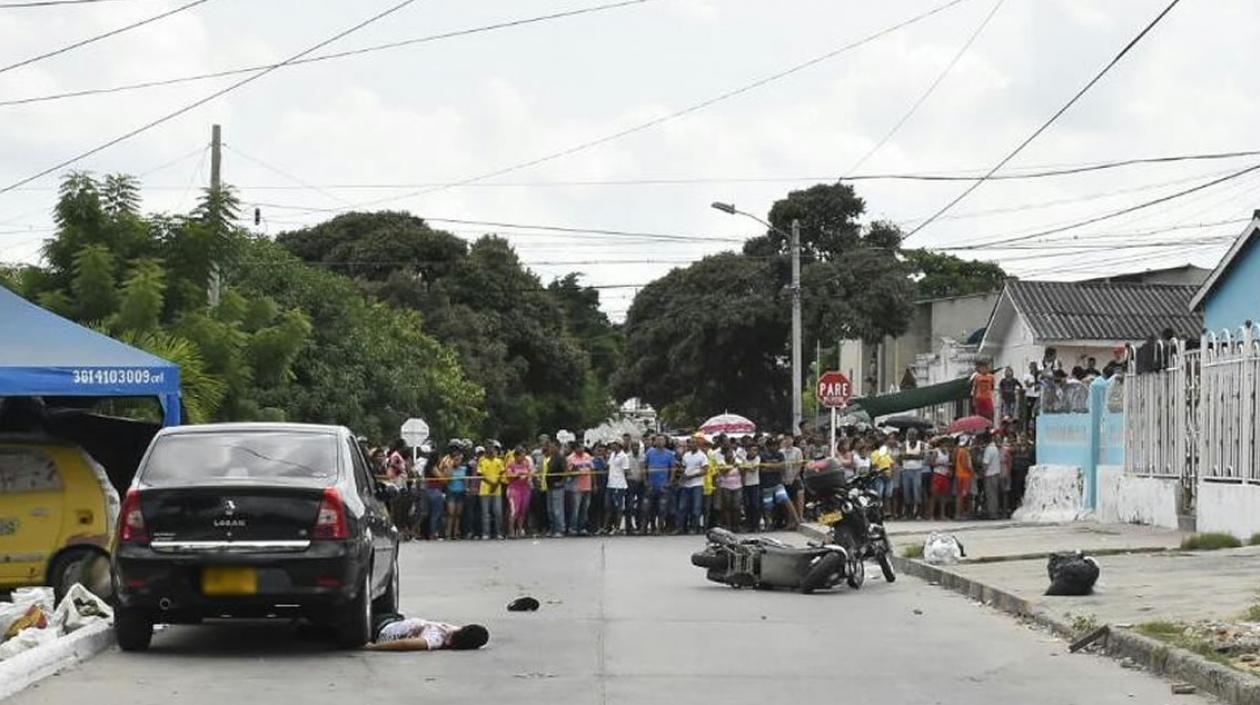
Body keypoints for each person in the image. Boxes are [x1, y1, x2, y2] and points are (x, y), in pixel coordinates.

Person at [366, 613, 489, 652]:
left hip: (387, 625)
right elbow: (405, 644)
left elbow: (405, 643)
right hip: (388, 626)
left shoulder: (444, 633)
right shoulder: (440, 637)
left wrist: (371, 647)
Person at [759, 435, 800, 531]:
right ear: (767, 446)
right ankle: (768, 524)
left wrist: (770, 466)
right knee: (767, 506)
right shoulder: (762, 455)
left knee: (786, 500)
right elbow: (762, 470)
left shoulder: (780, 454)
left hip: (777, 483)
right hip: (766, 484)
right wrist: (775, 467)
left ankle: (797, 520)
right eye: (771, 445)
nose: (773, 447)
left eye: (775, 445)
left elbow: (782, 468)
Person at [643, 435, 675, 535]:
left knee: (662, 508)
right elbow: (644, 467)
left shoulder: (670, 454)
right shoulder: (649, 452)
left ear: (665, 442)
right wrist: (645, 480)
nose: (660, 442)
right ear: (655, 442)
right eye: (658, 440)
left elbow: (672, 469)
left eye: (662, 440)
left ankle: (659, 528)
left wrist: (669, 482)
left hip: (663, 485)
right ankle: (645, 528)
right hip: (651, 485)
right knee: (646, 508)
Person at [676, 437, 707, 534]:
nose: (691, 445)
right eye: (690, 443)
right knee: (682, 507)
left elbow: (705, 470)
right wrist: (681, 478)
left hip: (697, 484)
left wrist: (692, 476)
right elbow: (684, 468)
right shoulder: (686, 455)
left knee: (696, 508)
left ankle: (694, 528)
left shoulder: (702, 456)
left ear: (697, 444)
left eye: (694, 443)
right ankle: (681, 528)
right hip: (686, 485)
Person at [478, 442, 506, 540]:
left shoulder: (499, 461)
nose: (491, 451)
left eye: (493, 450)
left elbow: (502, 473)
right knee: (485, 513)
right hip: (485, 489)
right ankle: (486, 533)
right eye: (489, 450)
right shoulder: (482, 461)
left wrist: (495, 484)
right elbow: (480, 475)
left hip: (497, 489)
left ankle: (499, 533)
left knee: (498, 512)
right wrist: (491, 483)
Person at [566, 444, 595, 536]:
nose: (581, 449)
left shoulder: (587, 456)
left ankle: (582, 527)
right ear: (575, 448)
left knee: (585, 508)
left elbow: (592, 470)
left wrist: (594, 484)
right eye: (579, 447)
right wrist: (575, 470)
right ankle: (573, 528)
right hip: (576, 487)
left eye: (582, 447)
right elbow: (569, 473)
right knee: (575, 508)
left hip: (587, 486)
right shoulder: (570, 458)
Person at [505, 446, 533, 538]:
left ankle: (520, 530)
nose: (523, 457)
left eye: (524, 455)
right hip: (514, 489)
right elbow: (509, 476)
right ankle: (511, 531)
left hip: (525, 489)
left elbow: (529, 473)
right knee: (514, 511)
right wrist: (517, 475)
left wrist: (529, 478)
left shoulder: (526, 463)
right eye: (522, 455)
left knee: (522, 511)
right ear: (516, 456)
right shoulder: (510, 464)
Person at [542, 440, 567, 538]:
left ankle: (560, 529)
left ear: (557, 447)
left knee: (557, 510)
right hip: (550, 486)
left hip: (558, 487)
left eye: (552, 447)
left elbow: (565, 471)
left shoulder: (560, 458)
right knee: (550, 509)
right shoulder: (550, 457)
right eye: (550, 447)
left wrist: (561, 482)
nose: (550, 449)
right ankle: (552, 529)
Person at [716, 441, 742, 531]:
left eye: (731, 453)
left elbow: (743, 473)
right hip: (725, 486)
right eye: (728, 453)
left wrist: (740, 467)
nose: (730, 455)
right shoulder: (721, 462)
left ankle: (736, 525)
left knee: (736, 507)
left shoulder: (738, 461)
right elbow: (723, 473)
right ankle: (728, 525)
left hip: (737, 486)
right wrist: (731, 465)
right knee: (727, 506)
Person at [605, 440, 629, 534]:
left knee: (618, 507)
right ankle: (607, 527)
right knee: (608, 507)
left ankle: (617, 527)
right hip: (610, 484)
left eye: (614, 445)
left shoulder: (623, 457)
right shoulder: (612, 455)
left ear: (619, 446)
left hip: (619, 485)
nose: (612, 447)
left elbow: (626, 471)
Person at [900, 429, 926, 520]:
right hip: (906, 470)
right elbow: (902, 456)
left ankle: (918, 512)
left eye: (913, 435)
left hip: (917, 470)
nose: (911, 437)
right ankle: (908, 512)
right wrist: (915, 456)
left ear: (916, 436)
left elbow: (922, 456)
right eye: (909, 435)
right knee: (907, 491)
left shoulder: (921, 444)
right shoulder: (904, 444)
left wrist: (909, 455)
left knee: (917, 491)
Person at [443, 448, 467, 541]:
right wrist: (450, 468)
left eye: (460, 459)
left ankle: (456, 533)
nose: (458, 461)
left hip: (460, 492)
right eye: (456, 459)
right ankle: (448, 533)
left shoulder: (464, 469)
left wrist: (466, 488)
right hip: (451, 492)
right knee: (451, 513)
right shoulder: (449, 468)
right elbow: (446, 480)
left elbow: (466, 481)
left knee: (458, 514)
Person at [623, 434, 645, 534]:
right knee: (629, 505)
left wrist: (643, 479)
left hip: (640, 482)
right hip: (630, 482)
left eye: (637, 446)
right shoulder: (627, 457)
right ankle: (629, 527)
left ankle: (639, 525)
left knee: (640, 505)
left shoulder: (642, 456)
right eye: (633, 446)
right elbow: (626, 470)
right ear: (631, 447)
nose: (635, 448)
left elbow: (643, 468)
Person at [781, 435, 806, 523]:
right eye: (785, 439)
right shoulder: (781, 452)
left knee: (799, 495)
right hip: (784, 478)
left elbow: (799, 465)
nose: (787, 441)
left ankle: (800, 516)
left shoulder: (797, 451)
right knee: (788, 499)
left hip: (796, 477)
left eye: (789, 439)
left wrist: (794, 477)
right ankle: (790, 520)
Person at [927, 437, 953, 520]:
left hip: (945, 474)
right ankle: (931, 515)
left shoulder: (948, 452)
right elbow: (931, 463)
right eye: (945, 443)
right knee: (934, 495)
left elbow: (950, 462)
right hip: (937, 474)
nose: (947, 445)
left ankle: (942, 514)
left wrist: (949, 467)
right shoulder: (936, 451)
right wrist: (940, 464)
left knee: (943, 496)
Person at [738, 440, 761, 532]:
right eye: (752, 450)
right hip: (745, 484)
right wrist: (745, 467)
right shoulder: (743, 459)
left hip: (755, 484)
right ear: (748, 451)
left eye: (755, 450)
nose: (754, 452)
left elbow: (753, 469)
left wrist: (745, 467)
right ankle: (749, 524)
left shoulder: (757, 458)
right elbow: (742, 470)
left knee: (755, 505)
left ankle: (756, 525)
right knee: (747, 505)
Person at [980, 433, 1002, 518]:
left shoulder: (989, 449)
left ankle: (992, 513)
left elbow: (986, 463)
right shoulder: (995, 448)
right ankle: (994, 511)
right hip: (996, 473)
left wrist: (982, 473)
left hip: (990, 474)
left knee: (990, 494)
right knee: (994, 494)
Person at [954, 437, 975, 519]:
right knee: (962, 495)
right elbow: (966, 465)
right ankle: (960, 514)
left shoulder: (959, 451)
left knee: (960, 495)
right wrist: (973, 472)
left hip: (959, 474)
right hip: (965, 475)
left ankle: (959, 513)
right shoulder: (964, 451)